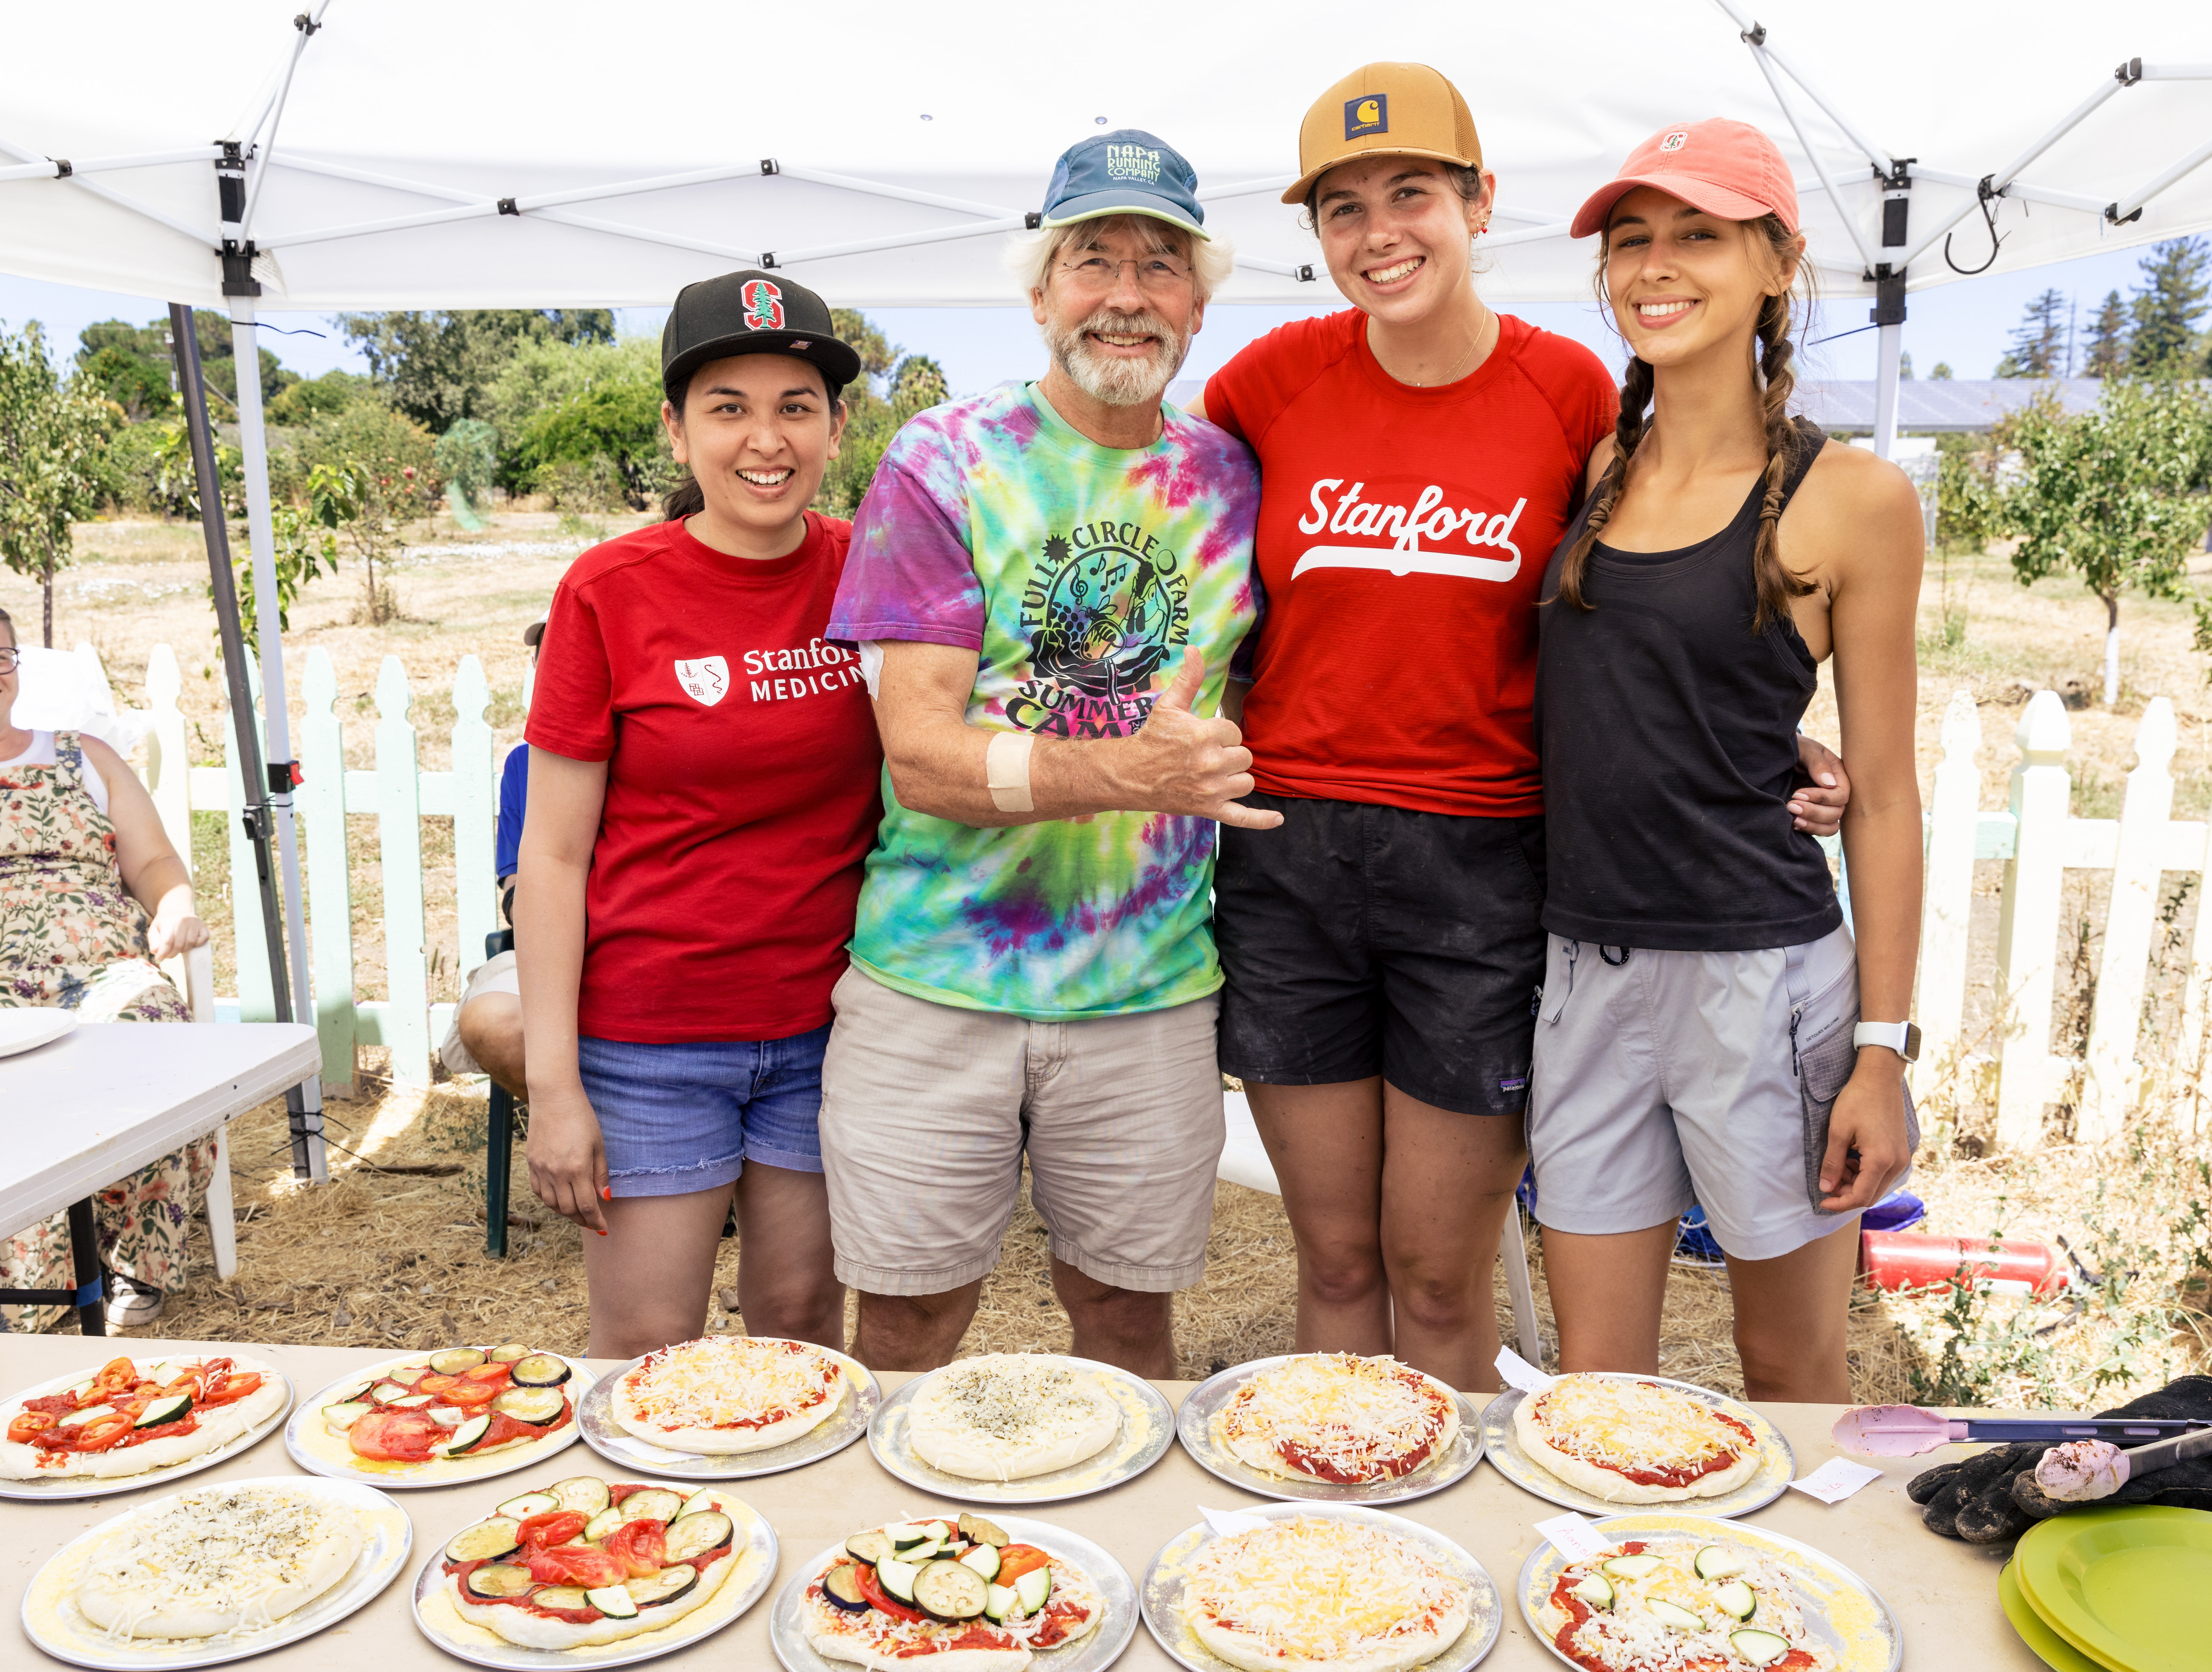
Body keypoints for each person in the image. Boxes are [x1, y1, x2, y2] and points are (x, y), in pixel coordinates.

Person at [1195, 65, 1848, 1391]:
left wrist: (1759, 740)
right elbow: (1164, 537)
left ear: (1479, 202)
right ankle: (1346, 1552)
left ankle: (1461, 1552)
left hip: (1486, 866)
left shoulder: (1572, 397)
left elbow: (1656, 594)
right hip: (1290, 858)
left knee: (1437, 1276)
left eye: (1412, 193)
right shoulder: (1263, 383)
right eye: (1341, 207)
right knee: (1331, 1267)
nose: (1379, 232)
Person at [820, 128, 1266, 1378]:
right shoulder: (946, 459)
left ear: (1196, 300)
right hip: (935, 983)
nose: (1125, 294)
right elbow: (920, 757)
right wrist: (1125, 773)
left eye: (1159, 265)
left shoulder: (1231, 478)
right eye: (1091, 261)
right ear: (1037, 293)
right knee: (906, 1332)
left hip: (1147, 992)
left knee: (1128, 1334)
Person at [1530, 120, 1925, 1401]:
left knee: (1789, 1368)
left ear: (1773, 263)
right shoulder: (1594, 467)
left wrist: (1881, 1049)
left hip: (1762, 981)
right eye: (1630, 239)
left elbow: (1884, 790)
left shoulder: (1851, 495)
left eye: (1696, 233)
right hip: (1584, 972)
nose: (1654, 264)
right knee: (1597, 1389)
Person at [516, 274, 884, 1358]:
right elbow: (551, 853)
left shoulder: (877, 571)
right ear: (678, 432)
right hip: (651, 1039)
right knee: (645, 1347)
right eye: (729, 406)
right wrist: (554, 1086)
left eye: (795, 405)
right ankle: (638, 1538)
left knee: (805, 1337)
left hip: (830, 1028)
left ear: (835, 426)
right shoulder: (608, 590)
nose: (764, 438)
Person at [0, 594, 214, 1331]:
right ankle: (15, 1283)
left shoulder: (83, 755)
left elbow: (153, 863)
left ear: (16, 666)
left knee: (149, 1023)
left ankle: (130, 1263)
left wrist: (175, 904)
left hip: (98, 971)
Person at [440, 619, 538, 1095]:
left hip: (654, 956)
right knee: (491, 1022)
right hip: (550, 948)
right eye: (545, 659)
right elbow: (515, 887)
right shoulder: (524, 765)